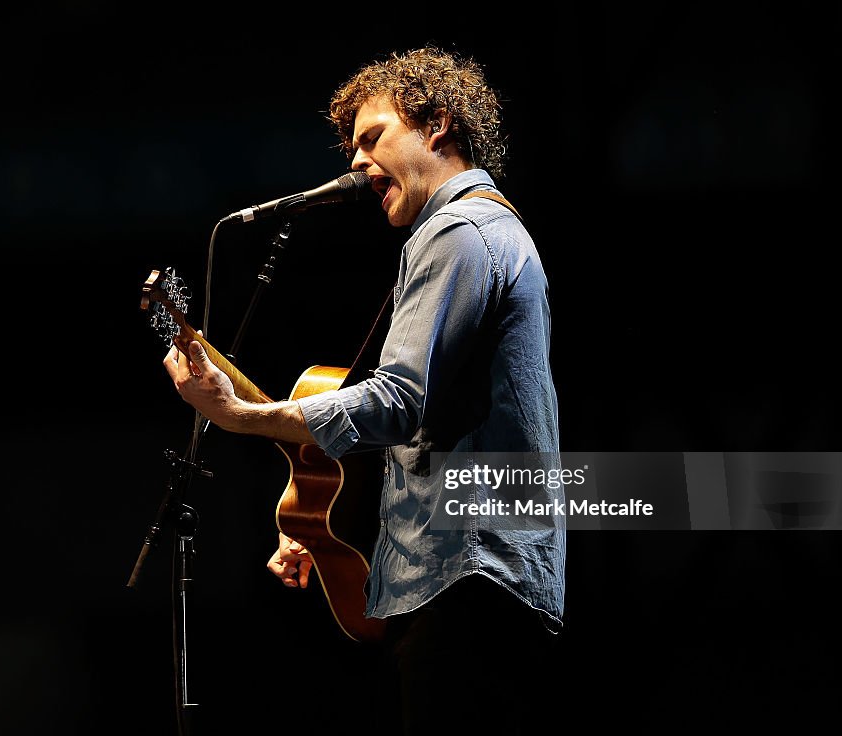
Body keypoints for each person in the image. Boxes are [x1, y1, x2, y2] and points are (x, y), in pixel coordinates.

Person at [163, 46, 564, 734]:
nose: (354, 160)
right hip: (474, 579)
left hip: (467, 583)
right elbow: (429, 432)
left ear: (436, 124)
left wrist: (241, 414)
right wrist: (325, 531)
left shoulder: (458, 232)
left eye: (372, 137)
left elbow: (396, 401)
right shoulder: (478, 231)